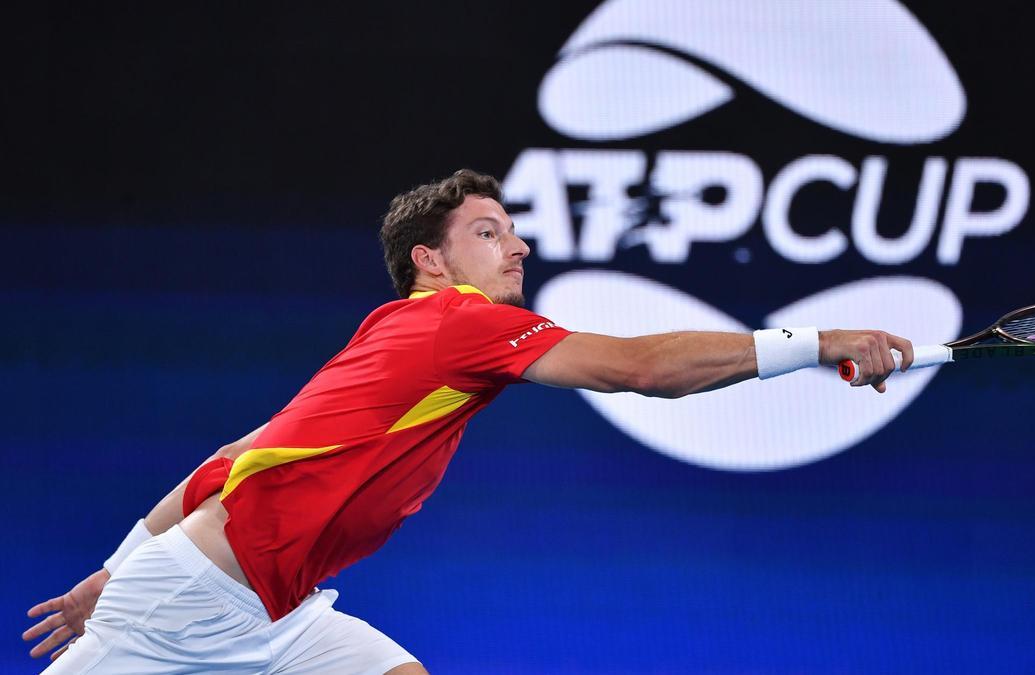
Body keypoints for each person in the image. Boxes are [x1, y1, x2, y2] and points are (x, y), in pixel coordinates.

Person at [22, 170, 914, 673]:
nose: (518, 245)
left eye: (512, 230)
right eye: (489, 232)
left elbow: (236, 453)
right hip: (188, 608)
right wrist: (818, 338)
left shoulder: (395, 333)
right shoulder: (453, 321)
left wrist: (116, 565)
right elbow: (642, 370)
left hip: (272, 608)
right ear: (431, 261)